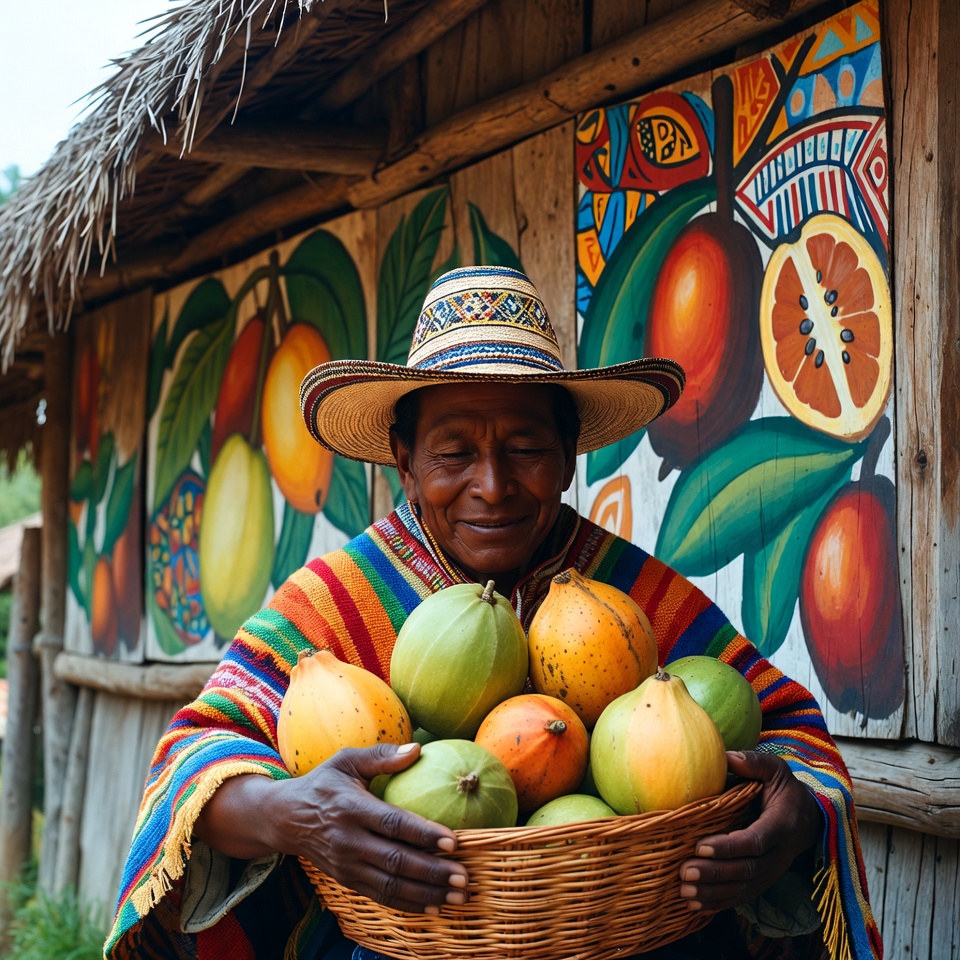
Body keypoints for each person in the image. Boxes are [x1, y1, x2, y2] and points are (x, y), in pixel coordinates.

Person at [105, 266, 880, 960]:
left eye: (525, 447)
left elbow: (782, 725)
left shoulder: (628, 594)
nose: (493, 485)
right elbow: (192, 766)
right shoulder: (336, 601)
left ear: (569, 454)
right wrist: (292, 814)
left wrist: (798, 813)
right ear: (403, 461)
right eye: (452, 454)